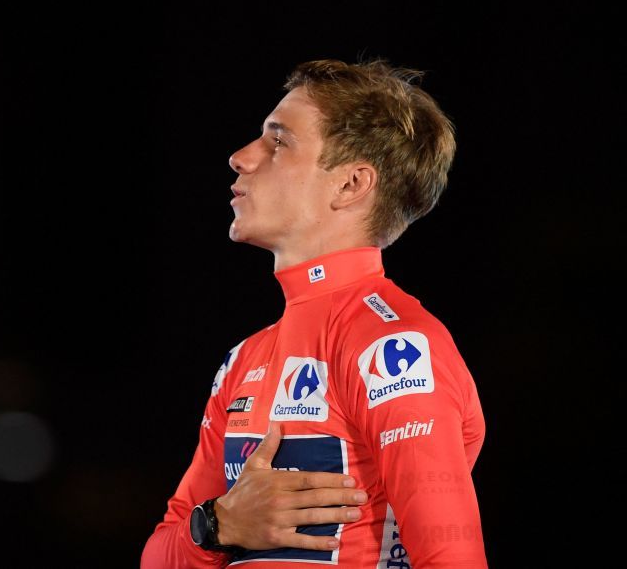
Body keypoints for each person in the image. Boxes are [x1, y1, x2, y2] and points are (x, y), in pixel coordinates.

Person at [140, 58, 487, 568]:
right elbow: (159, 555)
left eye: (279, 142)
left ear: (350, 185)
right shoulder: (243, 361)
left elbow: (451, 557)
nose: (240, 157)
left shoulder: (395, 348)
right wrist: (218, 525)